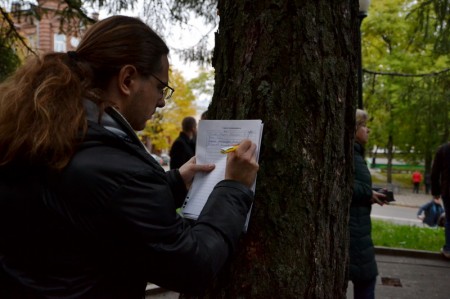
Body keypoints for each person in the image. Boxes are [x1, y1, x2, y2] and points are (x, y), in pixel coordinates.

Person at [0, 15, 259, 298]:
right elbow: (191, 266)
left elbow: (93, 209)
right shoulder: (115, 167)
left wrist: (173, 183)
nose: (161, 101)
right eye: (161, 87)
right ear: (127, 79)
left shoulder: (45, 135)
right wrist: (234, 187)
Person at [349, 109, 387, 299]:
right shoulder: (350, 155)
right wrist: (367, 193)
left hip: (359, 227)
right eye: (363, 125)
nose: (368, 130)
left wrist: (371, 193)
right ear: (353, 128)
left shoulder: (356, 154)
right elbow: (342, 184)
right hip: (354, 231)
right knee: (366, 280)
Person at [431, 142, 450, 258]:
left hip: (448, 190)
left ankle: (448, 249)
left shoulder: (443, 149)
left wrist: (436, 192)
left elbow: (435, 173)